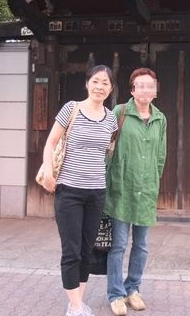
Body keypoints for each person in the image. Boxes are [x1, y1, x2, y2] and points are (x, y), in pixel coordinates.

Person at [42, 65, 118, 316]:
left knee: (87, 251)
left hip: (96, 192)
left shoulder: (111, 119)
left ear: (111, 88)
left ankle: (77, 302)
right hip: (69, 191)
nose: (99, 87)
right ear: (87, 83)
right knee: (71, 250)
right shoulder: (71, 109)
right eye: (95, 81)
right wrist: (49, 172)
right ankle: (75, 307)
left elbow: (107, 153)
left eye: (105, 83)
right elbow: (51, 142)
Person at [105, 68, 167, 316]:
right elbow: (107, 148)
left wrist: (154, 179)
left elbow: (161, 155)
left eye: (150, 85)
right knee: (118, 245)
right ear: (132, 90)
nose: (145, 90)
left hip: (146, 189)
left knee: (141, 245)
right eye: (140, 85)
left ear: (156, 90)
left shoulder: (160, 119)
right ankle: (115, 294)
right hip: (121, 187)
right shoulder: (119, 112)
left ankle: (133, 289)